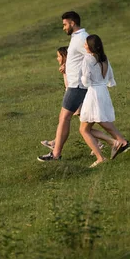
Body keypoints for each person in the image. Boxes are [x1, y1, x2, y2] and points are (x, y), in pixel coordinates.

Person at [38, 11, 90, 162]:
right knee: (88, 120)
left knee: (65, 118)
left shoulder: (81, 38)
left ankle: (55, 154)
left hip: (77, 86)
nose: (63, 28)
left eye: (65, 24)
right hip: (75, 84)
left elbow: (92, 56)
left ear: (72, 23)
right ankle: (119, 142)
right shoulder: (77, 37)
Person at [40, 46, 113, 154]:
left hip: (77, 98)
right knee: (84, 126)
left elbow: (70, 85)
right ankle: (109, 142)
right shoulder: (68, 67)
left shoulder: (71, 67)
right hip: (77, 97)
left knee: (83, 127)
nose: (57, 59)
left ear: (65, 57)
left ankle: (111, 142)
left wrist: (65, 72)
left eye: (59, 56)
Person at [79, 34, 130, 167]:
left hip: (94, 93)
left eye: (86, 44)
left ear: (90, 46)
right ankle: (116, 142)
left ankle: (101, 157)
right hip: (103, 92)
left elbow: (85, 80)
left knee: (84, 129)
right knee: (89, 127)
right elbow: (110, 76)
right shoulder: (104, 58)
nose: (84, 46)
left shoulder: (88, 59)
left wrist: (84, 81)